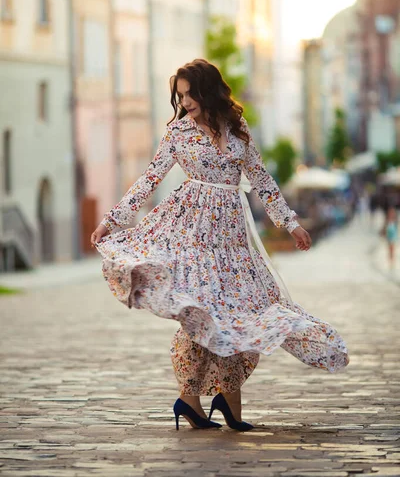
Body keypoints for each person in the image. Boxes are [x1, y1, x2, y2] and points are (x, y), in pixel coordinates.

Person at [91, 59, 349, 431]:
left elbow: (262, 179)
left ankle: (228, 404)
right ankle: (192, 400)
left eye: (190, 93)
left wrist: (291, 223)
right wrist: (110, 221)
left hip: (232, 241)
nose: (185, 101)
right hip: (192, 236)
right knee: (202, 315)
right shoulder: (178, 134)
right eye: (180, 95)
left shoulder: (237, 129)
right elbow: (149, 180)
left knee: (239, 317)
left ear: (207, 90)